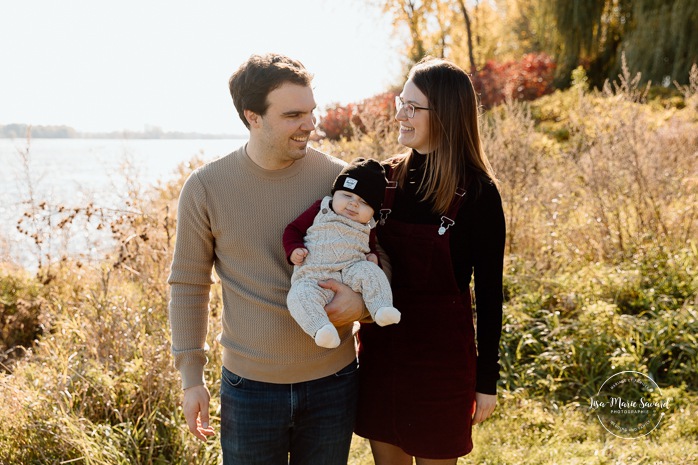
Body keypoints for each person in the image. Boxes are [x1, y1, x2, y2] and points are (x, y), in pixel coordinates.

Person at [167, 53, 366, 465]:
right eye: (294, 114)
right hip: (249, 389)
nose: (310, 124)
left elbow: (380, 258)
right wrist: (191, 379)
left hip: (334, 381)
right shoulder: (206, 188)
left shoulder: (340, 181)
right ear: (252, 116)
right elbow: (189, 285)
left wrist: (362, 305)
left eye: (311, 112)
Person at [355, 56, 506, 464]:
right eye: (399, 102)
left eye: (412, 107)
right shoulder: (380, 179)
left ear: (445, 114)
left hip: (441, 369)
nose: (400, 114)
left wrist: (486, 382)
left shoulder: (479, 195)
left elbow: (491, 298)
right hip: (381, 359)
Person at [283, 158, 401, 349]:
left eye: (364, 202)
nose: (353, 204)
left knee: (371, 272)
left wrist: (373, 259)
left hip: (350, 273)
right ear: (334, 193)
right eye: (347, 195)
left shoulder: (368, 227)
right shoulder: (320, 209)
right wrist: (294, 249)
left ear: (373, 212)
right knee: (298, 295)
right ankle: (321, 329)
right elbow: (292, 230)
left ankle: (382, 307)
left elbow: (371, 249)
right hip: (313, 278)